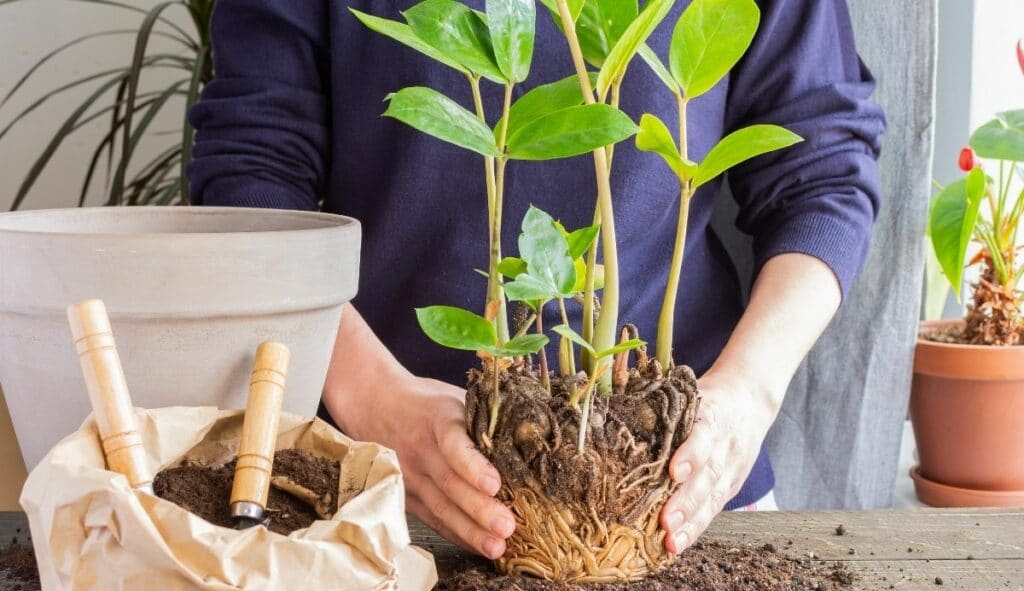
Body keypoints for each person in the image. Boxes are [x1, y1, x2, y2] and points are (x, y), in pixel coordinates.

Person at [188, 0, 884, 560]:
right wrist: (371, 396)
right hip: (375, 495)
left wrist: (747, 396)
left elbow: (822, 173)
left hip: (681, 494)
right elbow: (248, 183)